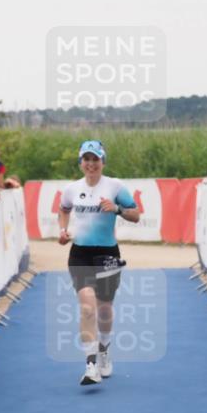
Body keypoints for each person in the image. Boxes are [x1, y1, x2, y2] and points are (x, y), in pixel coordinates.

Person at [57, 140, 140, 385]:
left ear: (103, 161)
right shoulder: (72, 188)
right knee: (87, 307)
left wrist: (116, 209)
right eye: (87, 159)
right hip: (79, 254)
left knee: (104, 309)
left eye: (96, 159)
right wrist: (63, 230)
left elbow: (135, 215)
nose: (91, 164)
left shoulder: (115, 186)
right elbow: (63, 210)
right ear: (81, 162)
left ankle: (104, 349)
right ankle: (91, 364)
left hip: (107, 255)